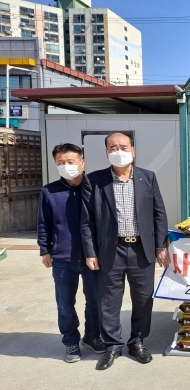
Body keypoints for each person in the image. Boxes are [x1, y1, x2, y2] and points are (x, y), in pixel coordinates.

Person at [81, 133, 169, 371]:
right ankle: (112, 346)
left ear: (133, 150)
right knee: (108, 301)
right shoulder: (94, 181)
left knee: (143, 299)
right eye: (112, 147)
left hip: (142, 249)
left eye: (123, 146)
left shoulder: (147, 177)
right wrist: (90, 252)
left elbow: (159, 213)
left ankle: (137, 342)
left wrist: (161, 246)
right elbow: (87, 221)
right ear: (106, 152)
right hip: (111, 249)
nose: (118, 150)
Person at [37, 143, 105, 363]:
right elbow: (43, 222)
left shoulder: (95, 187)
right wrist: (45, 249)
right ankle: (71, 342)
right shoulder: (49, 191)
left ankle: (92, 336)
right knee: (65, 302)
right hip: (62, 256)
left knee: (95, 300)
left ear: (82, 163)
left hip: (92, 256)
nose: (66, 166)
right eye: (61, 163)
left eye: (70, 162)